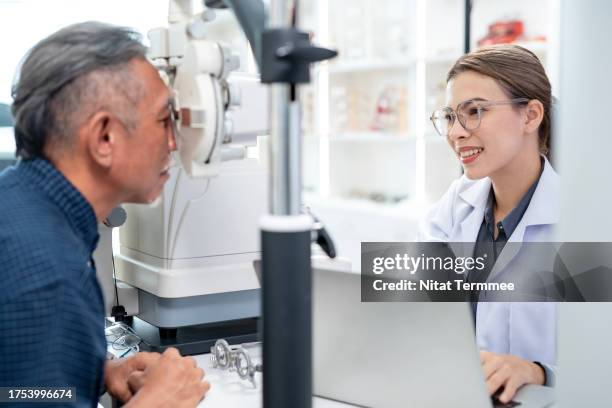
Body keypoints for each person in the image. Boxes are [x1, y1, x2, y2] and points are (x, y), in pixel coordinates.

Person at [0, 22, 210, 407]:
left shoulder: (16, 203)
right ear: (104, 138)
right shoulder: (47, 275)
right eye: (165, 120)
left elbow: (13, 390)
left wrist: (94, 370)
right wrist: (157, 402)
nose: (173, 143)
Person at [420, 44, 557, 404]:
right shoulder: (455, 205)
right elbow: (420, 313)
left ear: (531, 116)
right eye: (450, 117)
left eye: (475, 111)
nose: (456, 133)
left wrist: (540, 371)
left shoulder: (585, 219)